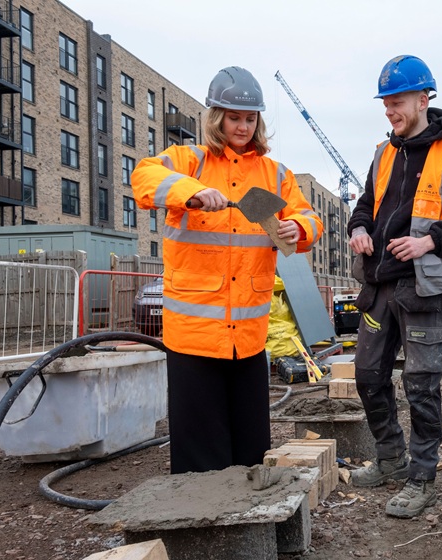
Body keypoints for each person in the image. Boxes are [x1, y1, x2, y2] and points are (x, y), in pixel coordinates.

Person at [132, 67, 323, 474]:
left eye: (250, 118)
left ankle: (248, 526)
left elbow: (309, 220)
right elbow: (144, 177)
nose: (243, 126)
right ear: (216, 117)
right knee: (201, 453)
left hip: (249, 339)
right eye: (234, 117)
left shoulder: (274, 174)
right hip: (194, 339)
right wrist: (192, 192)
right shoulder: (188, 161)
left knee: (250, 448)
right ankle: (204, 529)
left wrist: (299, 227)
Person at [347, 55, 442, 518]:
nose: (390, 111)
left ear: (424, 98)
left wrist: (430, 239)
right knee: (368, 375)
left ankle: (421, 477)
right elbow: (365, 205)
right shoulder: (384, 152)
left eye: (397, 102)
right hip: (380, 283)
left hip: (424, 286)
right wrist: (359, 229)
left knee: (422, 385)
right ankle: (390, 458)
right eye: (386, 103)